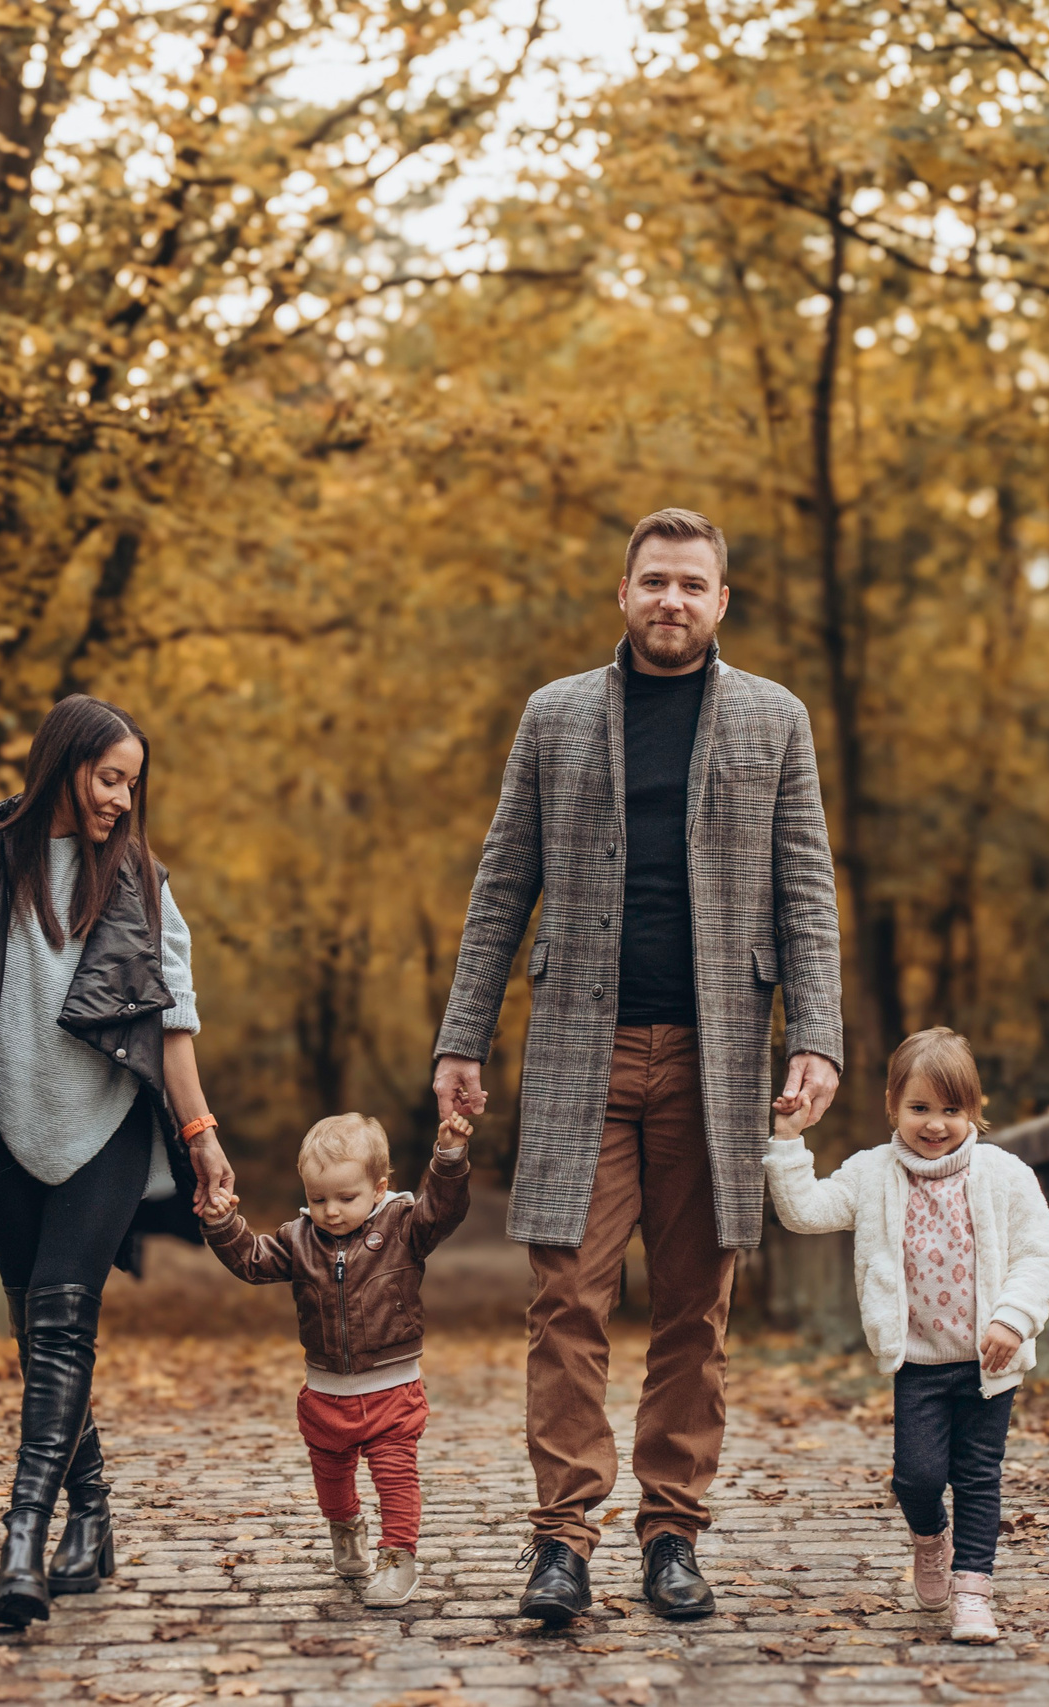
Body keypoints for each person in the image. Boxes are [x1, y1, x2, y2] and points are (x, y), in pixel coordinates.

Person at [430, 506, 846, 1626]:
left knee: (693, 1310)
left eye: (690, 584)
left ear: (721, 602)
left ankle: (671, 1537)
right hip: (581, 1052)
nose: (670, 599)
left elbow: (805, 891)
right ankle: (561, 1542)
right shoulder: (555, 716)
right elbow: (500, 885)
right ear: (623, 594)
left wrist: (816, 1036)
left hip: (718, 1056)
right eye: (651, 580)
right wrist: (460, 1039)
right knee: (565, 1296)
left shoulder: (774, 720)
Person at [0, 694, 235, 1629]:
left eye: (134, 783)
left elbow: (174, 1023)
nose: (123, 799)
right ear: (64, 764)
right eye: (110, 777)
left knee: (60, 1322)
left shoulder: (139, 881)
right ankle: (92, 1514)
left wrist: (202, 1139)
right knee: (37, 1336)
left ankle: (21, 1545)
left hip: (107, 1130)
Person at [762, 1026, 1049, 1643]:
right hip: (918, 1364)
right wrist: (789, 1142)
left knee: (979, 1475)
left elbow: (1037, 1255)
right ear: (892, 1105)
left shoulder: (1004, 1175)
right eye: (919, 1108)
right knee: (916, 1478)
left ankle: (973, 1591)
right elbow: (806, 1212)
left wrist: (1014, 1318)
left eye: (951, 1110)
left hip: (988, 1363)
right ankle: (931, 1538)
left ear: (973, 1108)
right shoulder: (872, 1174)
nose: (935, 1124)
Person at [199, 1110, 474, 1608]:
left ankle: (399, 1559)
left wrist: (449, 1156)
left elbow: (444, 1210)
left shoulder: (403, 1226)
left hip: (392, 1388)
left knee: (395, 1476)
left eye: (346, 1198)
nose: (330, 1211)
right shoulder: (299, 1240)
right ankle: (346, 1533)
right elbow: (254, 1262)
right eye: (317, 1198)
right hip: (325, 1392)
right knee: (331, 1478)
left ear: (378, 1187)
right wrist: (223, 1224)